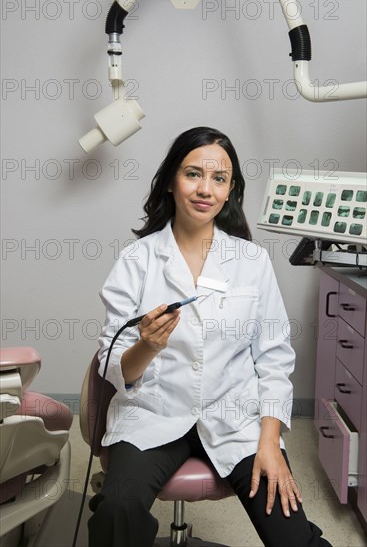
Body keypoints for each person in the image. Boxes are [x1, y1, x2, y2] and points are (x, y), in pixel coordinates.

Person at [88, 126, 332, 547]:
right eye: (192, 174)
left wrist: (270, 442)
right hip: (153, 414)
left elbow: (273, 359)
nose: (205, 189)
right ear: (170, 181)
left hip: (236, 417)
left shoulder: (251, 261)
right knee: (117, 509)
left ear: (230, 189)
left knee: (291, 533)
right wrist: (146, 345)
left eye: (219, 178)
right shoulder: (137, 260)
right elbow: (114, 365)